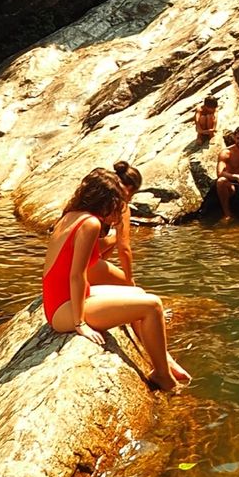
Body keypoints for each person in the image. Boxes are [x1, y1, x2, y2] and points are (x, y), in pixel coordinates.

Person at [42, 167, 189, 393]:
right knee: (152, 306)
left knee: (140, 295)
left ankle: (162, 359)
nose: (121, 207)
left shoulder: (71, 215)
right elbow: (77, 274)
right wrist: (80, 323)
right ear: (105, 200)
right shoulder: (90, 223)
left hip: (61, 301)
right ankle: (163, 377)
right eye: (117, 201)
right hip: (63, 309)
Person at [87, 160, 142, 287]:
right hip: (85, 264)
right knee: (132, 289)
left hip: (63, 263)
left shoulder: (95, 196)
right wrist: (129, 280)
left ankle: (97, 269)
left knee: (112, 237)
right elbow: (124, 249)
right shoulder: (121, 205)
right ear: (129, 189)